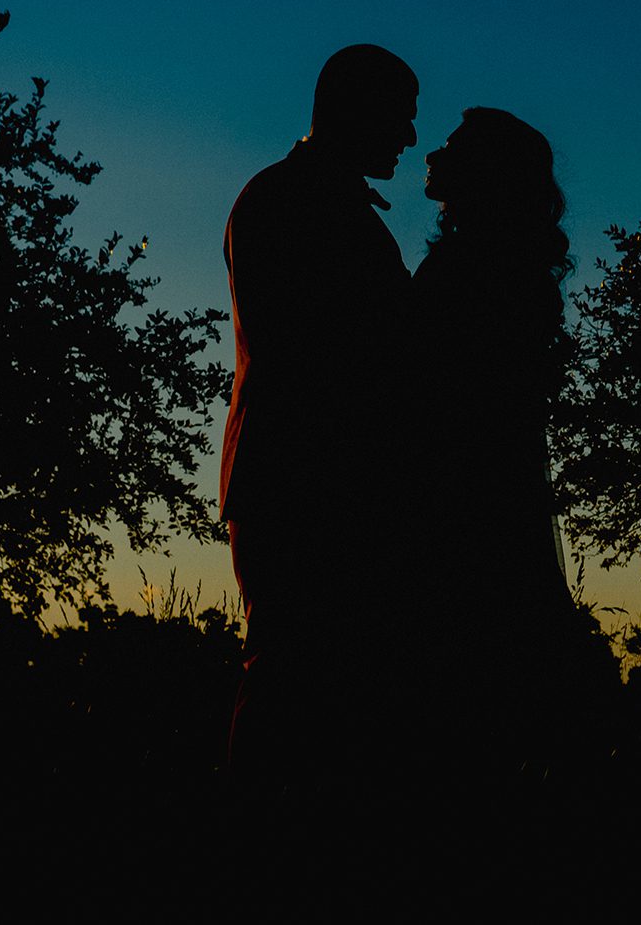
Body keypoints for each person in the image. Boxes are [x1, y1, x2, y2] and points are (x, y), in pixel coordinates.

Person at [220, 44, 419, 788]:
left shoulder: (300, 199)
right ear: (352, 108)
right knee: (288, 679)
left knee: (314, 688)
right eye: (399, 116)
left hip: (307, 483)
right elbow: (312, 353)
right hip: (299, 487)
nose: (407, 136)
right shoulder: (286, 202)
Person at [407, 106, 589, 782]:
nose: (433, 152)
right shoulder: (498, 267)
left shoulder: (469, 271)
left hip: (463, 508)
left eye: (453, 145)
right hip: (488, 501)